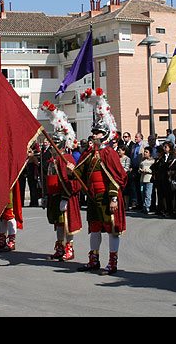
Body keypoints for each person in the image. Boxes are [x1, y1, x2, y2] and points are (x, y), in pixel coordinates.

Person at [69, 87, 128, 275]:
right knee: (94, 229)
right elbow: (79, 172)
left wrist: (113, 198)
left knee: (111, 230)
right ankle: (93, 259)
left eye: (97, 132)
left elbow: (117, 177)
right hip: (93, 197)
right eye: (93, 132)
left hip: (107, 197)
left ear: (105, 135)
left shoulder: (109, 153)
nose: (93, 134)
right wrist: (72, 170)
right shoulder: (89, 152)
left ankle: (112, 262)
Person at [40, 101, 82, 261]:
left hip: (65, 197)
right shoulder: (52, 159)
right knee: (58, 224)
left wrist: (66, 197)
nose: (52, 146)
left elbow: (72, 180)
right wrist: (46, 195)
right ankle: (59, 247)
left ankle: (69, 248)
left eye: (55, 143)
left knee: (67, 224)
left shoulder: (67, 158)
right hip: (54, 196)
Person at [151, 145, 172, 217]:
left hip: (165, 178)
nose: (156, 153)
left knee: (166, 195)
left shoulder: (167, 158)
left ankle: (167, 209)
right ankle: (160, 209)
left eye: (158, 152)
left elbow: (164, 166)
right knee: (160, 195)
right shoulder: (159, 159)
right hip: (159, 179)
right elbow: (153, 166)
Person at [139, 147, 155, 214]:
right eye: (144, 152)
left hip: (148, 180)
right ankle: (143, 206)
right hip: (142, 180)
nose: (145, 153)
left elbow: (152, 170)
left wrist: (147, 170)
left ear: (150, 153)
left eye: (146, 152)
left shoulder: (152, 161)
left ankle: (147, 207)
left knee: (148, 194)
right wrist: (140, 170)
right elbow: (139, 168)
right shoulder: (142, 161)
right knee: (142, 193)